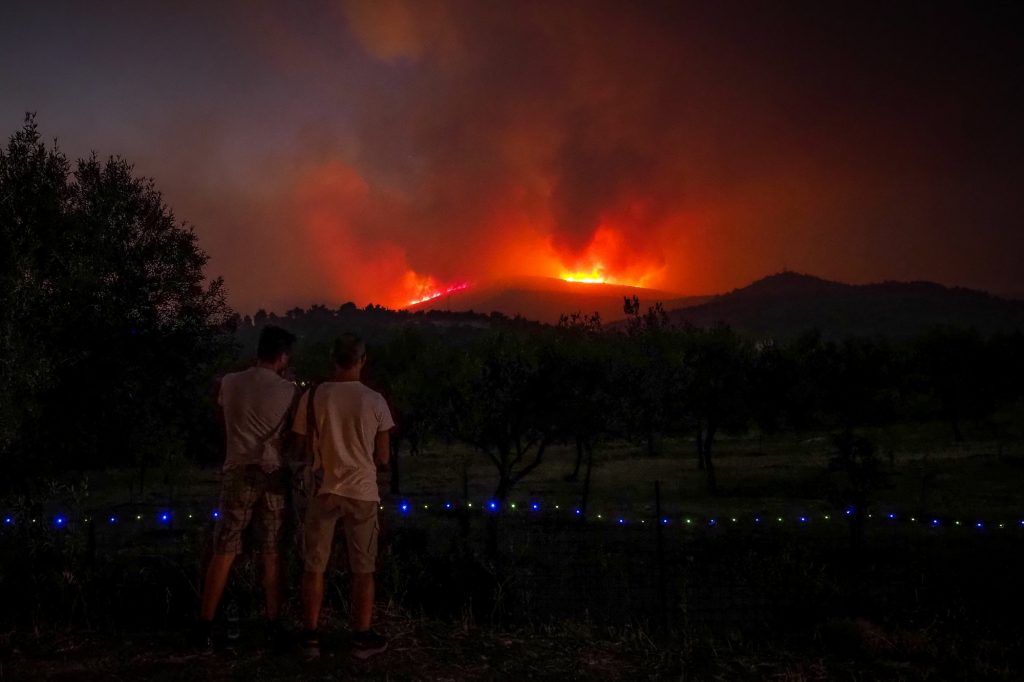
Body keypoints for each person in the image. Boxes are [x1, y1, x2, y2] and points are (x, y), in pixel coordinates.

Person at [195, 325, 298, 647]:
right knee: (271, 550)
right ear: (283, 357)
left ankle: (205, 623)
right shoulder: (288, 389)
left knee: (224, 548)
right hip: (271, 475)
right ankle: (272, 622)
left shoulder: (229, 382)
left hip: (237, 471)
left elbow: (223, 416)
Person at [293, 333, 393, 660]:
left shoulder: (313, 396)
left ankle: (310, 637)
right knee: (363, 568)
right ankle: (361, 638)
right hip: (362, 491)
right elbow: (383, 457)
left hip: (324, 490)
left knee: (314, 566)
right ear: (363, 361)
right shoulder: (375, 401)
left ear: (333, 360)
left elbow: (301, 444)